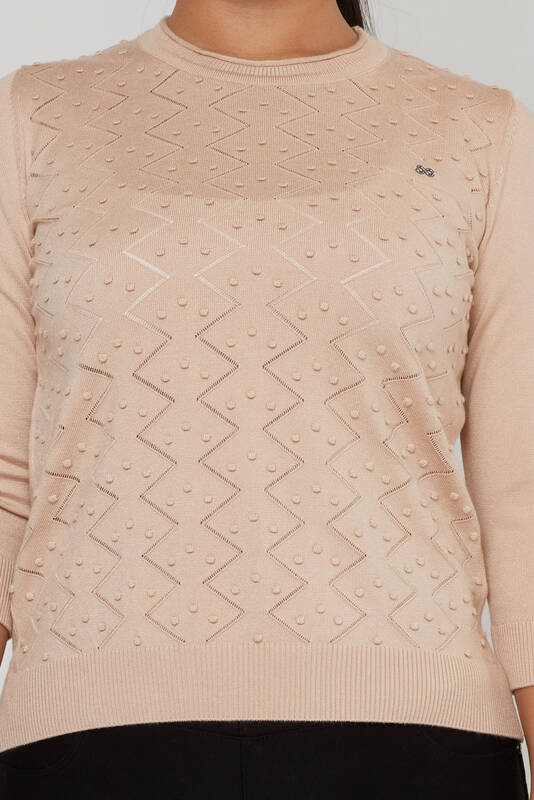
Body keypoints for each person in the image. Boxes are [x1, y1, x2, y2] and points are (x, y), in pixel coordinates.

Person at [0, 0, 532, 797]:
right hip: (83, 734)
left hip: (419, 737)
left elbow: (522, 493)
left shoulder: (481, 131)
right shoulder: (32, 117)